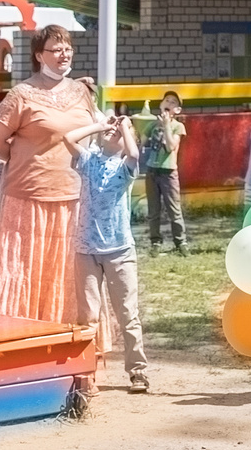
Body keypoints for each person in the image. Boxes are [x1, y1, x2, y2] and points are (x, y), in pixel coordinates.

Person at [0, 25, 97, 325]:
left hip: (73, 196)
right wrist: (24, 159)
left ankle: (68, 343)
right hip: (27, 198)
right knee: (23, 271)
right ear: (39, 56)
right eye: (56, 49)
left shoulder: (83, 91)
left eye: (67, 48)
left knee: (67, 273)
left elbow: (92, 135)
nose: (64, 54)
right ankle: (16, 339)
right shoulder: (21, 94)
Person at [66, 113, 149, 394]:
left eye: (120, 132)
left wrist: (125, 126)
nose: (113, 131)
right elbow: (68, 138)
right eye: (111, 130)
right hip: (86, 250)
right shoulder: (89, 160)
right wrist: (100, 125)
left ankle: (138, 372)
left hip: (119, 251)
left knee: (128, 313)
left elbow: (135, 152)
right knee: (87, 316)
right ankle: (85, 375)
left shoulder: (125, 167)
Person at [142, 93, 188, 253]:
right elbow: (141, 142)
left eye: (173, 102)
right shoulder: (152, 125)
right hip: (152, 171)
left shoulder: (177, 126)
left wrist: (167, 125)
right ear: (161, 104)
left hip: (168, 172)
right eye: (166, 100)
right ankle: (155, 241)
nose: (169, 103)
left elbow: (170, 146)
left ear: (177, 109)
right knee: (153, 210)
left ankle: (180, 242)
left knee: (174, 209)